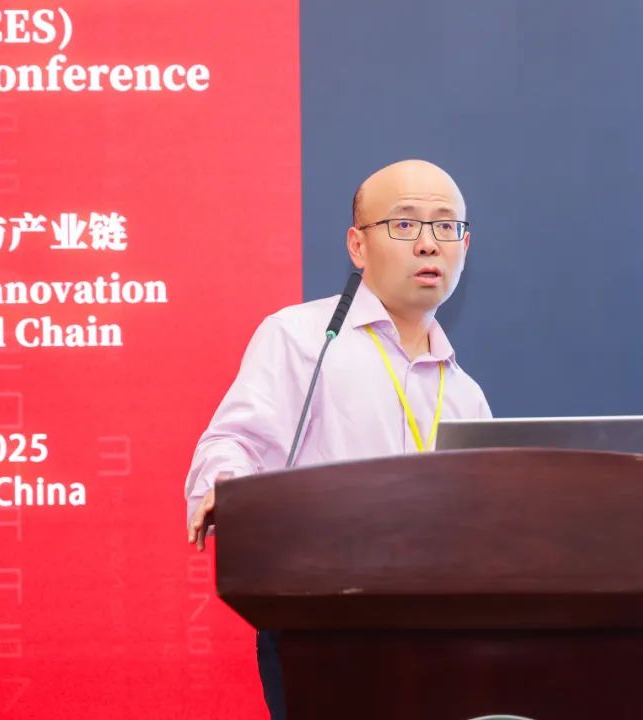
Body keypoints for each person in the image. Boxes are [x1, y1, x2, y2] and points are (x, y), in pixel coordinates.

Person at [184, 158, 492, 719]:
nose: (429, 243)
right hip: (320, 625)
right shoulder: (303, 339)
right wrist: (227, 488)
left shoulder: (465, 393)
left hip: (438, 638)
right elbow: (234, 442)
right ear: (357, 245)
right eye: (405, 223)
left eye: (446, 226)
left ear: (464, 246)